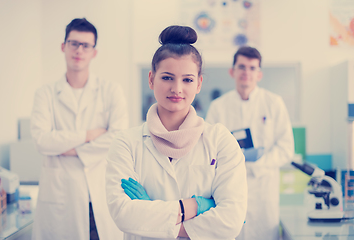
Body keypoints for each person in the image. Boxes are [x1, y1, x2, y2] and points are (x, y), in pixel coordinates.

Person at [105, 25, 247, 240]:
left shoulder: (220, 140)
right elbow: (123, 215)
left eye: (187, 79)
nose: (177, 88)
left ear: (199, 83)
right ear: (151, 79)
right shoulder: (126, 143)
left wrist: (152, 214)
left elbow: (231, 221)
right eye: (167, 78)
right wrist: (194, 206)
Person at [30, 18, 128, 240]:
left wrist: (67, 148)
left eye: (86, 45)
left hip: (99, 195)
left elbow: (117, 138)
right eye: (74, 43)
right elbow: (42, 141)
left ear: (94, 52)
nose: (79, 50)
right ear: (63, 46)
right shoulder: (45, 94)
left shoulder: (111, 91)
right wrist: (89, 135)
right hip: (61, 198)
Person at [206, 46, 294, 240]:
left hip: (264, 189)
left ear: (259, 74)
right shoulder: (218, 107)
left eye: (252, 68)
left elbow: (286, 148)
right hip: (228, 189)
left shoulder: (274, 103)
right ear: (232, 71)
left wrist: (256, 165)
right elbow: (209, 150)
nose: (246, 72)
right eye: (242, 67)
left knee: (263, 234)